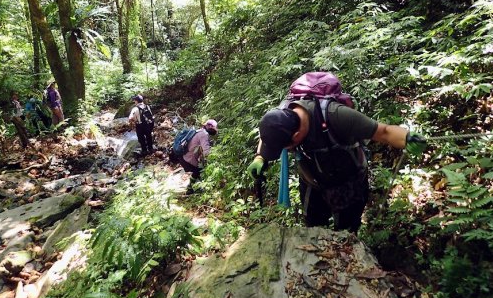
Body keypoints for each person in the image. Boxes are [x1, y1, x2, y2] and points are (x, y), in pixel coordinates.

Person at [247, 99, 426, 233]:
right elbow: (267, 134)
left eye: (284, 147)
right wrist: (260, 158)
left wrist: (406, 138)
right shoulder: (282, 114)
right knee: (313, 228)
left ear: (295, 136)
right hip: (313, 182)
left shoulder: (336, 116)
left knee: (346, 232)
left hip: (349, 182)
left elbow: (383, 132)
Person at [178, 119, 218, 193]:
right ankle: (191, 189)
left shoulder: (200, 131)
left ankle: (196, 188)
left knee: (197, 172)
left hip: (184, 156)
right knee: (198, 172)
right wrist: (214, 158)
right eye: (214, 128)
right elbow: (206, 151)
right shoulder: (204, 135)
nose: (215, 130)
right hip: (188, 158)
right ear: (209, 126)